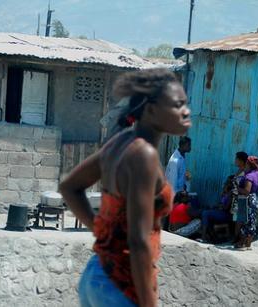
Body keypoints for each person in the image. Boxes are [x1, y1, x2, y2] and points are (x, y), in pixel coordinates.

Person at [59, 68, 191, 307]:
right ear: (151, 110)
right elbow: (138, 241)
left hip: (97, 274)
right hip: (121, 284)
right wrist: (149, 303)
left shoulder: (120, 143)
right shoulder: (144, 155)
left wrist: (101, 231)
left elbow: (70, 187)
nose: (186, 111)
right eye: (178, 105)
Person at [234, 156, 258, 251]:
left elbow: (246, 191)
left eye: (246, 163)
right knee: (251, 221)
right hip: (254, 199)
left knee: (245, 221)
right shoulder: (257, 173)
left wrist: (238, 189)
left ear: (248, 164)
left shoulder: (249, 176)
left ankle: (242, 244)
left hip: (247, 200)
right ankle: (248, 244)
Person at [200, 175, 234, 242]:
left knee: (205, 213)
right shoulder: (225, 193)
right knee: (206, 212)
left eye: (228, 182)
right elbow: (221, 204)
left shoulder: (231, 194)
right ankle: (211, 237)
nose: (226, 183)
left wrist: (219, 206)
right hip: (221, 212)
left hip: (226, 214)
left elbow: (226, 207)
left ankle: (203, 237)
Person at [231, 151, 248, 243]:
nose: (235, 161)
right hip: (236, 197)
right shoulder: (239, 170)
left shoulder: (245, 172)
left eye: (237, 159)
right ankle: (236, 237)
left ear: (242, 161)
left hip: (241, 198)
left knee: (239, 220)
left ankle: (237, 238)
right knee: (236, 219)